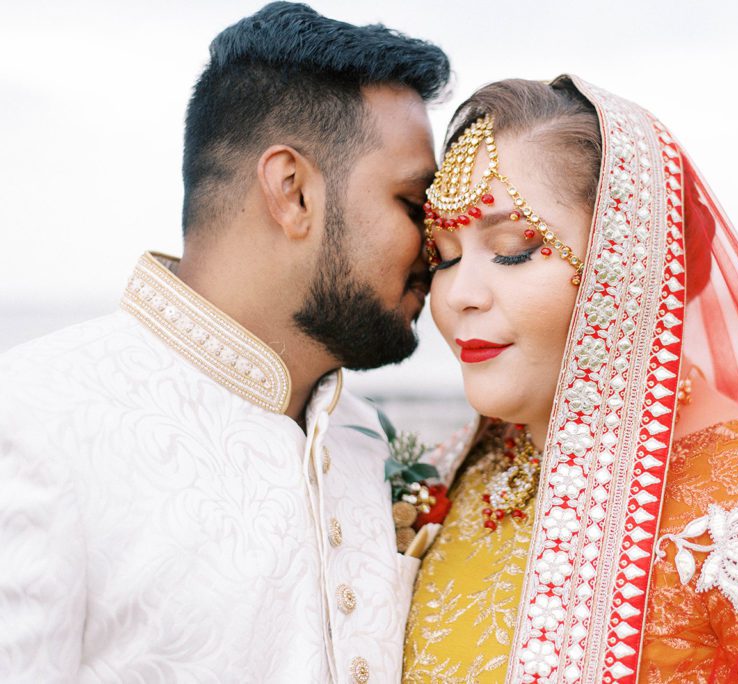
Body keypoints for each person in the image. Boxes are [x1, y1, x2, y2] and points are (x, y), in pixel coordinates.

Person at [403, 76, 738, 682]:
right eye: (444, 257)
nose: (457, 295)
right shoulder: (463, 471)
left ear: (637, 259)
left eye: (512, 248)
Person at [0, 3, 448, 682]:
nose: (438, 247)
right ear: (293, 191)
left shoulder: (363, 439)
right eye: (414, 205)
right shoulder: (31, 422)